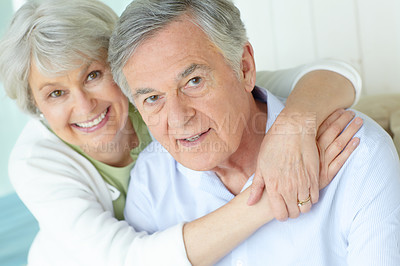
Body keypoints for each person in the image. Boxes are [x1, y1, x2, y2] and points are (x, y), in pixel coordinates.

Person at [0, 0, 361, 265]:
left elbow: (332, 74)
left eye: (92, 75)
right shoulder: (36, 163)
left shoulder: (156, 97)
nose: (84, 106)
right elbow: (126, 260)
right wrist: (270, 195)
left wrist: (292, 129)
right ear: (36, 106)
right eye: (56, 93)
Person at [108, 0, 400, 265]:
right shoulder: (150, 180)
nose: (178, 118)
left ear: (245, 68)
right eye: (152, 99)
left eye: (194, 81)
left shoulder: (354, 152)